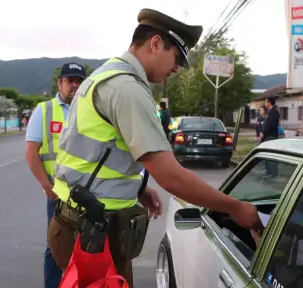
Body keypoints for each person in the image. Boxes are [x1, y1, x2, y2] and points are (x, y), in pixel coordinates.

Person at [48, 8, 263, 287]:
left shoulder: (106, 76)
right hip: (90, 233)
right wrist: (233, 207)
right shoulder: (126, 88)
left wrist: (137, 188)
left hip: (82, 223)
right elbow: (170, 176)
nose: (176, 69)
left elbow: (99, 154)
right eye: (177, 59)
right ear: (156, 44)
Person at [24, 62, 86, 288]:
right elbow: (31, 153)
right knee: (55, 247)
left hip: (88, 193)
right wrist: (46, 186)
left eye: (79, 82)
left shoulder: (90, 109)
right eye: (70, 81)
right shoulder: (45, 110)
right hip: (58, 194)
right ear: (60, 83)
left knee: (87, 245)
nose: (75, 86)